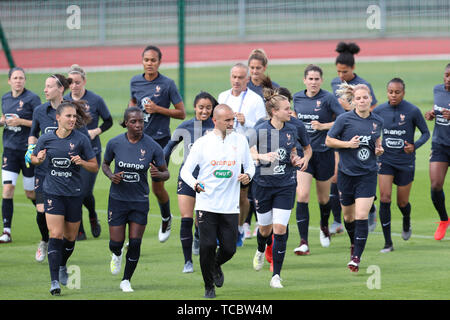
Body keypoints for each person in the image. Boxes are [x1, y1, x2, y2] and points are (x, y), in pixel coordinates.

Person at [180, 104, 254, 299]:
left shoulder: (240, 140)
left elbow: (250, 166)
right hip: (207, 204)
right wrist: (195, 184)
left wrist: (247, 175)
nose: (232, 123)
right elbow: (185, 171)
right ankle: (208, 286)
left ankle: (215, 265)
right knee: (207, 246)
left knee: (229, 249)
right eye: (227, 120)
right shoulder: (202, 143)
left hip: (230, 206)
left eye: (233, 119)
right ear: (215, 121)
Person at [30, 100, 98, 295]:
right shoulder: (46, 139)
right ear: (57, 118)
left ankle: (62, 266)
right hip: (52, 192)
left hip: (74, 193)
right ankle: (54, 282)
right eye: (68, 116)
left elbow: (94, 166)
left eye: (74, 116)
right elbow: (34, 158)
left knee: (70, 237)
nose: (72, 119)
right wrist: (38, 159)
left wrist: (82, 162)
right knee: (55, 235)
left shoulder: (81, 139)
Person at [102, 107, 169, 292]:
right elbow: (105, 164)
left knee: (136, 242)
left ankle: (126, 280)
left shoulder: (153, 146)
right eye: (134, 122)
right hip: (117, 199)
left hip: (139, 201)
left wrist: (159, 174)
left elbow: (166, 173)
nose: (138, 125)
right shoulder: (114, 143)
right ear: (126, 123)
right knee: (115, 243)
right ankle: (116, 254)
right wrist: (111, 176)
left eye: (141, 121)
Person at [250, 87, 310, 289]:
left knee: (280, 229)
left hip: (286, 184)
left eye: (290, 108)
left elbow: (299, 150)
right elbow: (247, 153)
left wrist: (298, 159)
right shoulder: (260, 130)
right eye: (286, 109)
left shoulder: (293, 129)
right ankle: (260, 250)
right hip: (263, 185)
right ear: (274, 111)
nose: (290, 112)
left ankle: (276, 275)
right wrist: (261, 156)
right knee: (265, 229)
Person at [129, 45, 186, 243]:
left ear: (159, 62)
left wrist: (158, 109)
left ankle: (165, 217)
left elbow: (181, 113)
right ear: (142, 61)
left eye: (153, 60)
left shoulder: (168, 84)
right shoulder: (135, 81)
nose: (149, 63)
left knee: (157, 188)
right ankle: (134, 232)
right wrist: (130, 117)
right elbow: (133, 102)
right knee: (135, 186)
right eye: (146, 60)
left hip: (160, 142)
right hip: (137, 141)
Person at [325, 83, 384, 272]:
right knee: (348, 217)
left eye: (365, 97)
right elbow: (328, 140)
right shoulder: (344, 119)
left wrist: (379, 149)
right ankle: (354, 243)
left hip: (367, 174)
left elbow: (377, 142)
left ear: (370, 99)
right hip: (346, 174)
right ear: (354, 101)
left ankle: (356, 258)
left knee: (361, 215)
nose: (362, 101)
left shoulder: (377, 121)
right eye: (358, 98)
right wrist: (347, 144)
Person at [292, 64, 345, 255]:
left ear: (321, 80)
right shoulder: (297, 97)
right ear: (304, 80)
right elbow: (294, 120)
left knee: (323, 199)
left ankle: (324, 226)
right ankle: (303, 242)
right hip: (304, 154)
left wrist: (323, 126)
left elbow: (343, 118)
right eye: (310, 79)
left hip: (324, 153)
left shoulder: (328, 98)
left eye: (316, 79)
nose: (313, 82)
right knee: (302, 195)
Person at [373, 78, 429, 252]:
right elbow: (372, 131)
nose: (393, 95)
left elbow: (426, 133)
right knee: (384, 198)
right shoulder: (380, 110)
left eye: (397, 92)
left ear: (403, 93)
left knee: (402, 202)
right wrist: (377, 145)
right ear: (387, 92)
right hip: (386, 160)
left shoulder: (412, 110)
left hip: (405, 162)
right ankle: (388, 242)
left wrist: (414, 146)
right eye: (390, 92)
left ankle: (406, 220)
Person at [163, 92, 217, 273]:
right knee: (186, 218)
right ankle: (188, 262)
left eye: (208, 107)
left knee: (202, 220)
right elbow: (169, 147)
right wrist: (162, 165)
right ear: (194, 107)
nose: (204, 111)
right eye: (201, 107)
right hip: (187, 178)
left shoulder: (217, 126)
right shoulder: (186, 126)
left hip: (209, 180)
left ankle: (197, 236)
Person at [330, 42, 379, 233]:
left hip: (362, 137)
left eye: (344, 72)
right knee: (335, 177)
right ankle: (337, 220)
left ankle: (370, 207)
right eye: (338, 72)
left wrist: (352, 109)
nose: (341, 76)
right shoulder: (335, 83)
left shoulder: (363, 86)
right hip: (342, 136)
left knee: (362, 174)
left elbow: (372, 108)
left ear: (353, 68)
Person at [218, 62, 266, 246]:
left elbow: (262, 129)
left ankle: (239, 227)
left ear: (247, 79)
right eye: (234, 77)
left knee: (242, 194)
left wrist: (247, 122)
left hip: (245, 152)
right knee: (222, 191)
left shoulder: (255, 100)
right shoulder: (223, 96)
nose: (237, 81)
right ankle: (222, 230)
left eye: (240, 77)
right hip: (223, 153)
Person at [26, 74, 73, 262]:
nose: (45, 90)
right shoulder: (39, 111)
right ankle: (45, 241)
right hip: (43, 170)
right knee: (41, 212)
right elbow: (33, 133)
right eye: (45, 86)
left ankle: (58, 245)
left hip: (66, 171)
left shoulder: (70, 110)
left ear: (61, 89)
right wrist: (31, 150)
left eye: (49, 86)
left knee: (66, 217)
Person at [65, 64, 113, 240]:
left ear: (84, 81)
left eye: (78, 82)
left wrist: (96, 131)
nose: (74, 85)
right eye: (70, 82)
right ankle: (79, 229)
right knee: (73, 191)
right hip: (70, 153)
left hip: (91, 152)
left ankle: (92, 215)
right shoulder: (64, 101)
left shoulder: (95, 100)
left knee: (84, 191)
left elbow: (108, 121)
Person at [0, 67, 41, 243]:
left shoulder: (32, 99)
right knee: (7, 189)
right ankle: (6, 231)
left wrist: (21, 121)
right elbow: (4, 117)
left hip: (28, 152)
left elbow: (39, 122)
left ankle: (46, 215)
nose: (18, 81)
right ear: (9, 81)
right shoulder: (5, 98)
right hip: (9, 151)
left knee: (30, 193)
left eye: (21, 78)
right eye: (15, 78)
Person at [244, 48, 281, 239]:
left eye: (258, 68)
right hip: (247, 139)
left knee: (262, 180)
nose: (255, 71)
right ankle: (246, 223)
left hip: (268, 140)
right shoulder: (244, 86)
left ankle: (263, 221)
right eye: (252, 67)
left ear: (265, 68)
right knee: (248, 181)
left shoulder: (273, 88)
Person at [425, 63, 450, 240]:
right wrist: (431, 114)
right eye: (447, 75)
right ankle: (444, 220)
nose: (448, 79)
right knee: (435, 185)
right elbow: (438, 110)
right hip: (440, 145)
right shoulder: (437, 90)